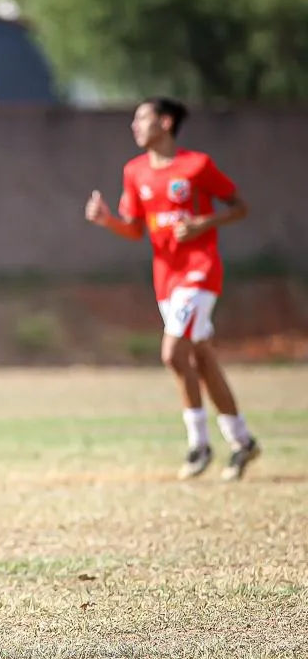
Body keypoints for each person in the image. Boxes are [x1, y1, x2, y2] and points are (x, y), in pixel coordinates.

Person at [85, 97, 260, 481]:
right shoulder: (134, 172)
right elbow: (135, 229)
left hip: (199, 274)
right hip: (166, 279)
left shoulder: (197, 166)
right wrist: (107, 221)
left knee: (172, 353)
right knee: (200, 359)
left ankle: (198, 445)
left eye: (141, 118)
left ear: (165, 123)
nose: (134, 125)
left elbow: (239, 206)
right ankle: (242, 441)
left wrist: (203, 223)